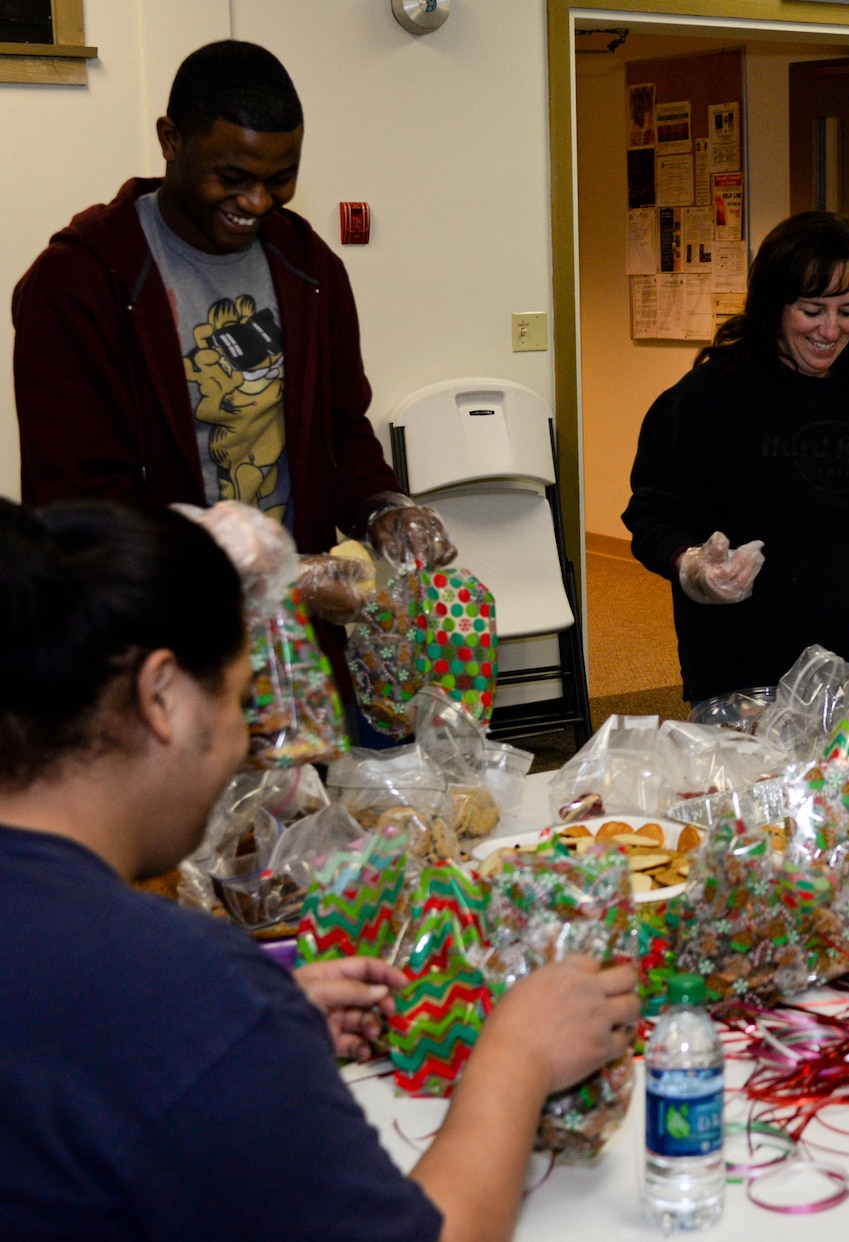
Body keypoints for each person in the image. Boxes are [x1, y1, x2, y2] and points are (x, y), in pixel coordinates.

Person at [0, 496, 639, 1242]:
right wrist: (516, 1058)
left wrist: (241, 1034)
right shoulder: (181, 983)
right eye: (243, 699)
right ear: (162, 696)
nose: (251, 739)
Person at [10, 40, 452, 710]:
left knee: (306, 811)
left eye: (281, 179)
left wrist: (383, 509)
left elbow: (340, 429)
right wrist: (271, 574)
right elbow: (81, 512)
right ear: (170, 140)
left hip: (292, 654)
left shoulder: (309, 269)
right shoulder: (79, 283)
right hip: (152, 649)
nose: (257, 202)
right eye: (233, 176)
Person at [623, 211, 849, 701]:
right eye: (812, 310)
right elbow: (653, 512)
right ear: (773, 304)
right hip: (744, 662)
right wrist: (694, 567)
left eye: (847, 310)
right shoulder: (706, 399)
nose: (831, 330)